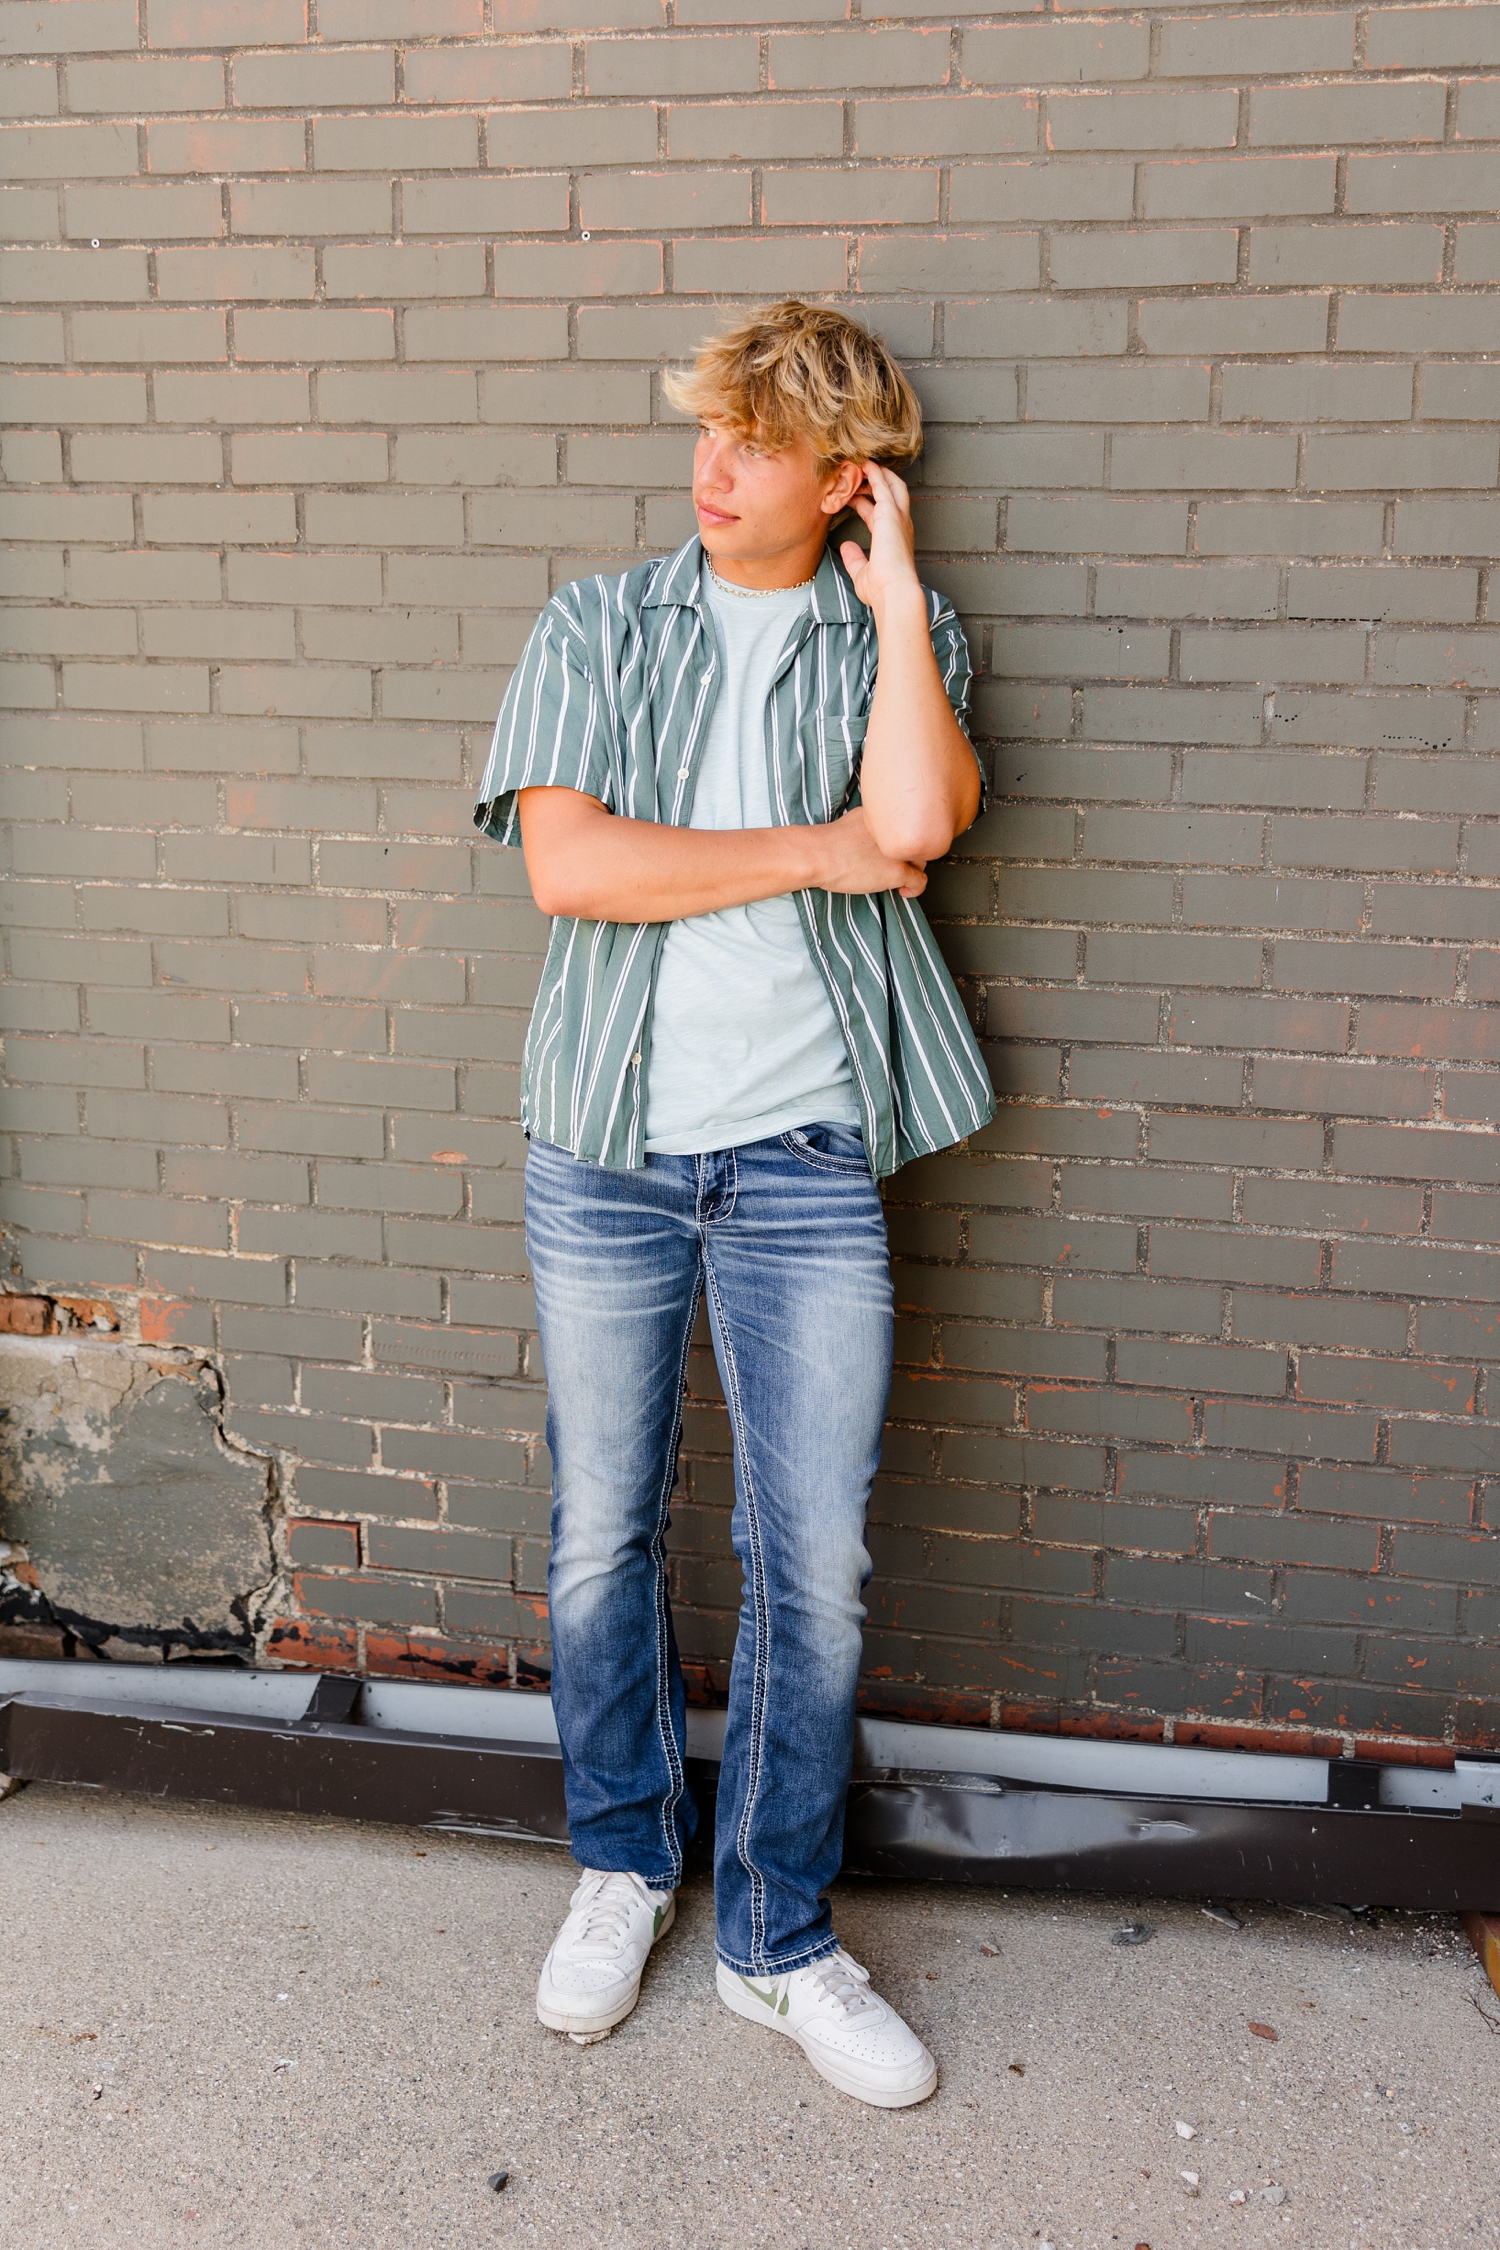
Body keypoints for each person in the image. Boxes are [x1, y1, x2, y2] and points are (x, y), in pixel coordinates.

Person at [474, 299, 994, 2109]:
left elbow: (915, 824)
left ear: (846, 478)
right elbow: (570, 864)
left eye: (760, 441)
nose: (714, 463)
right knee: (603, 1529)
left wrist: (901, 604)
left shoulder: (895, 640)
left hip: (802, 1159)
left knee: (817, 1567)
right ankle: (623, 1862)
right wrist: (811, 850)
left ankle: (778, 1937)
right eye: (709, 428)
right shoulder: (600, 621)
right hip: (607, 1149)